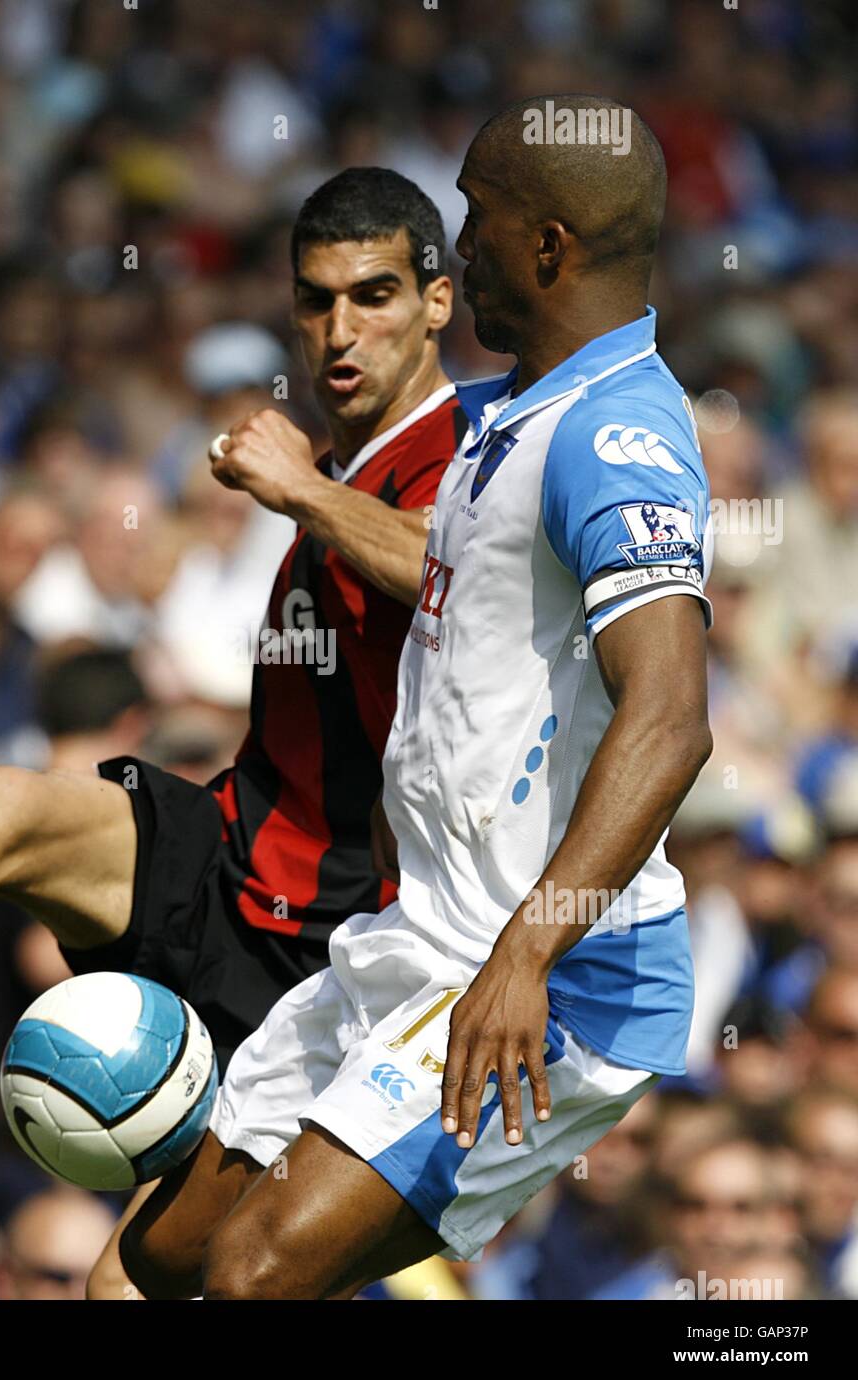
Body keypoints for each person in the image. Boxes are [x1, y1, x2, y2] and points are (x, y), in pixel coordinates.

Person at [0, 166, 462, 1259]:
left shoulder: (478, 454)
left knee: (132, 1284)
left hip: (351, 949)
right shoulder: (341, 469)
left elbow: (463, 574)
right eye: (316, 300)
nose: (339, 329)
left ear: (439, 300)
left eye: (375, 295)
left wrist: (304, 489)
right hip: (236, 858)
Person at [116, 94, 716, 1300]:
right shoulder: (511, 416)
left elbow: (670, 718)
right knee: (154, 1263)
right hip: (422, 937)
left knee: (248, 1277)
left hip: (557, 977)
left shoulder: (615, 436)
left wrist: (528, 953)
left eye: (476, 219)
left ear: (546, 246)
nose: (461, 245)